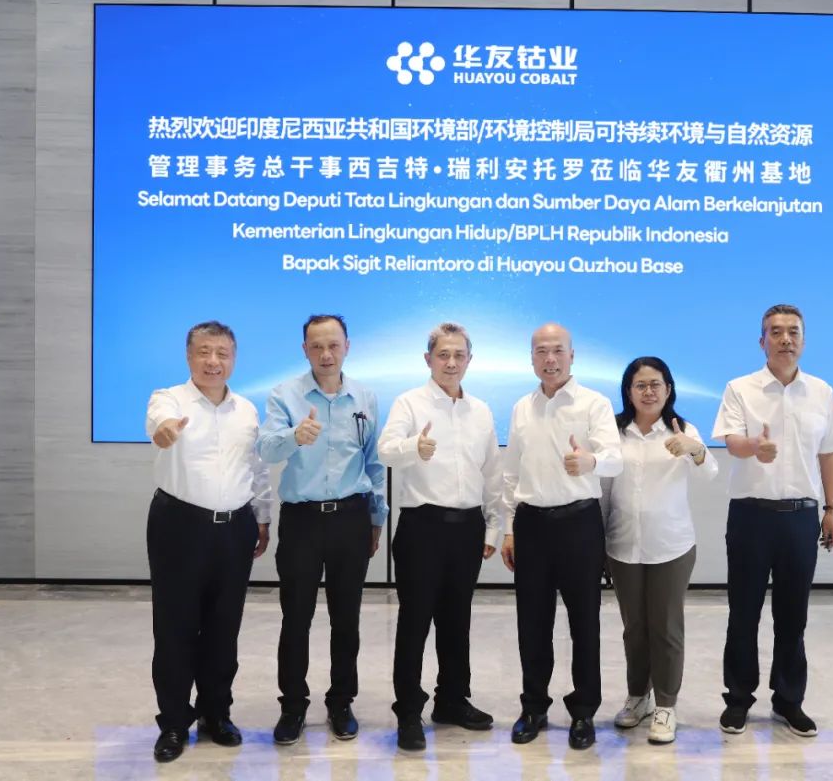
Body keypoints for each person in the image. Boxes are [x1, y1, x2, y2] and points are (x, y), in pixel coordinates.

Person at [711, 304, 833, 737]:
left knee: (793, 616)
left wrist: (832, 510)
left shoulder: (822, 392)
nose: (785, 339)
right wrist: (755, 446)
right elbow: (732, 442)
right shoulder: (740, 388)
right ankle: (738, 699)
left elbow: (830, 453)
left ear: (803, 341)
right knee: (743, 613)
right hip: (751, 516)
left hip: (800, 518)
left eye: (793, 332)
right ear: (762, 341)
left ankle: (789, 700)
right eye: (776, 332)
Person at [256, 314, 388, 745]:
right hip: (303, 522)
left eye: (333, 345)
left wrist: (377, 517)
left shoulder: (365, 397)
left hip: (351, 517)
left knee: (346, 618)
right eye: (316, 346)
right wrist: (296, 435)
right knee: (296, 617)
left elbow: (373, 463)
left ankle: (341, 702)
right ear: (305, 350)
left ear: (347, 346)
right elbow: (266, 449)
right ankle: (293, 705)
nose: (326, 354)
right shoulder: (284, 395)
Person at [145, 320, 271, 764]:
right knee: (175, 626)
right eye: (204, 352)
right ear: (189, 356)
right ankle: (174, 723)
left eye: (222, 353)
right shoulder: (168, 399)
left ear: (233, 359)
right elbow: (158, 425)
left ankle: (216, 714)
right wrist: (164, 431)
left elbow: (256, 468)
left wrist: (262, 517)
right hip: (179, 525)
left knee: (224, 626)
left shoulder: (246, 410)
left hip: (236, 527)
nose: (213, 361)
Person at [377, 322, 502, 751]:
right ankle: (408, 711)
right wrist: (414, 446)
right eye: (443, 354)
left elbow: (493, 472)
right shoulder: (409, 403)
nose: (451, 362)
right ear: (428, 358)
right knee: (414, 622)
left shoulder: (481, 411)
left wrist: (494, 525)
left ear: (469, 360)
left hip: (468, 527)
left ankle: (452, 699)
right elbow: (385, 450)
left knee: (456, 620)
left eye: (459, 355)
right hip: (422, 527)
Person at [500, 323, 623, 750]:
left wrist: (591, 461)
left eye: (557, 350)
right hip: (531, 525)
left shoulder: (594, 403)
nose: (549, 359)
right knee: (532, 622)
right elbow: (511, 474)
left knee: (584, 622)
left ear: (572, 355)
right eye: (541, 351)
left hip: (578, 524)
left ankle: (584, 711)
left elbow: (615, 459)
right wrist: (509, 528)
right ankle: (533, 706)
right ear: (531, 358)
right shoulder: (522, 407)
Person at [602, 357, 718, 744]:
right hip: (623, 545)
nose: (648, 391)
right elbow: (604, 488)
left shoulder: (683, 429)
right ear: (628, 391)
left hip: (671, 546)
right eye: (640, 385)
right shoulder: (613, 432)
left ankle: (666, 704)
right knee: (634, 628)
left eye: (656, 384)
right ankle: (639, 697)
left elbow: (711, 471)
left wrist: (694, 449)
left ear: (668, 389)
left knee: (665, 628)